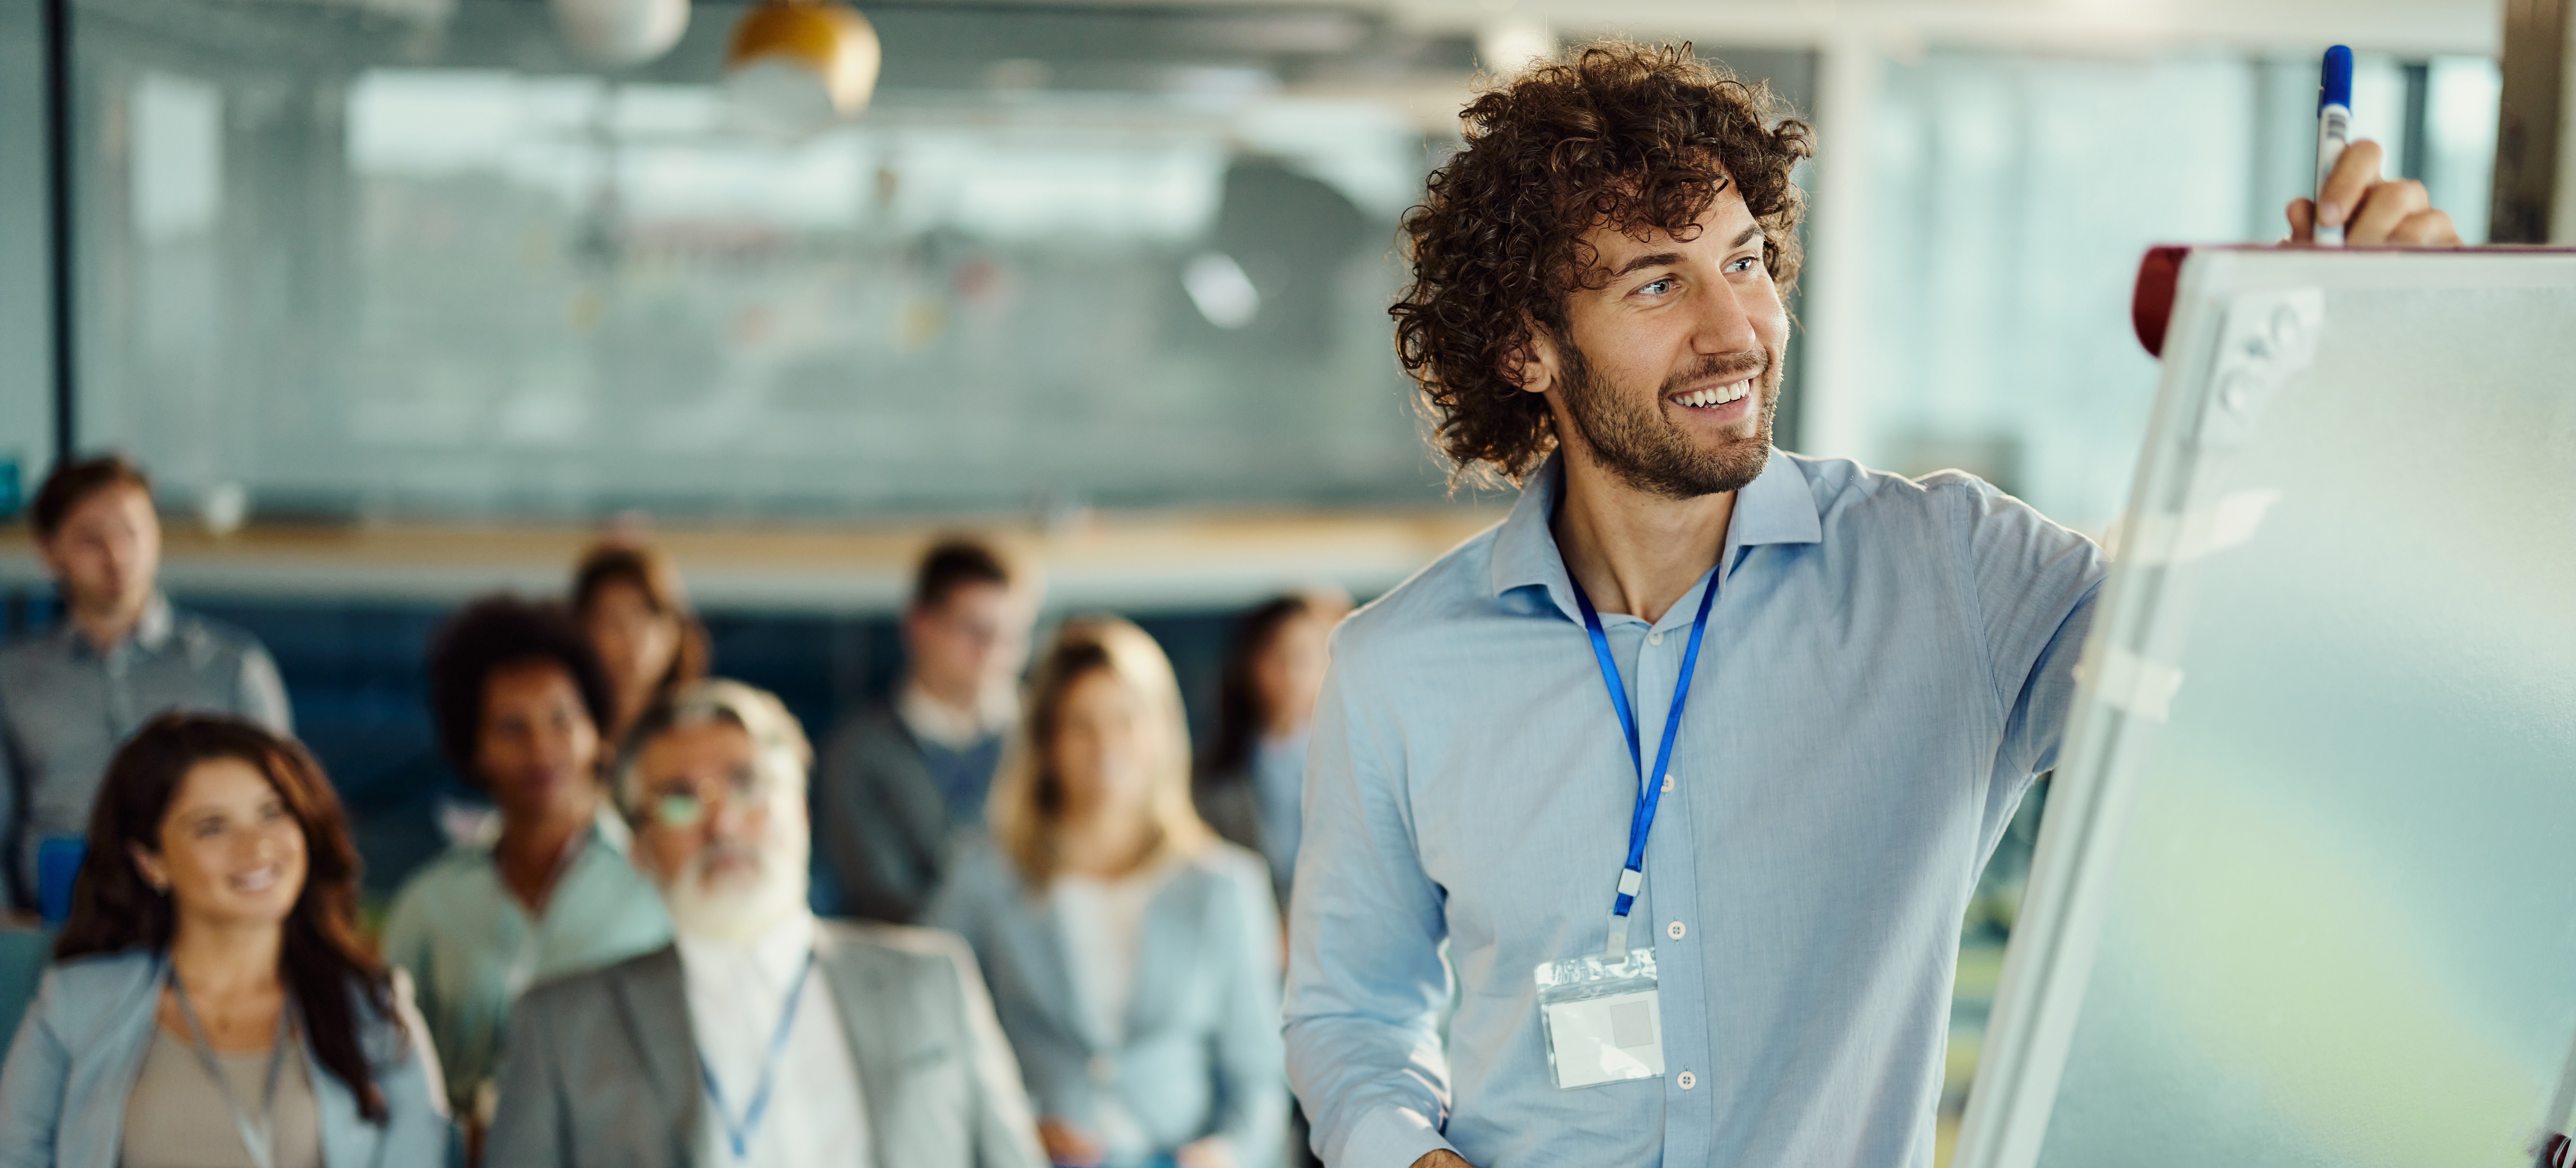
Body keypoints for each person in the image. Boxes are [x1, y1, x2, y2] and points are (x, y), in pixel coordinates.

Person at [1282, 42, 2461, 1168]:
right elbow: (1350, 1013)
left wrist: (2383, 372)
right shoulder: (1395, 670)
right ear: (1525, 347)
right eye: (1658, 281)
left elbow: (2262, 670)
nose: (1733, 329)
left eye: (1745, 261)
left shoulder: (1951, 571)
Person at [487, 679, 1046, 1168]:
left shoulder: (932, 980)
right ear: (640, 850)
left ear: (800, 810)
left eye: (747, 784)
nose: (723, 822)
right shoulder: (562, 1026)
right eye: (680, 800)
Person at [0, 713, 447, 1167]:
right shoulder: (74, 1006)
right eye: (212, 827)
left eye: (273, 813)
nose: (256, 847)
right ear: (151, 861)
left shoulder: (376, 1011)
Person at [930, 618, 1286, 1168]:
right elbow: (934, 1043)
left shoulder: (1224, 886)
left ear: (1161, 731)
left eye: (1126, 719)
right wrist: (1015, 1127)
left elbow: (1260, 1076)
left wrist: (1228, 1153)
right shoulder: (983, 876)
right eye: (1081, 723)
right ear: (1046, 741)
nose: (1105, 745)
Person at [380, 597, 670, 1130]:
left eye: (561, 720)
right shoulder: (430, 904)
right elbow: (389, 1072)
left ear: (596, 732)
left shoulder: (655, 887)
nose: (541, 748)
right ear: (475, 748)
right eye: (512, 727)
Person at [0, 456, 291, 907]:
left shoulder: (232, 667)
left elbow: (281, 812)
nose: (117, 556)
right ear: (49, 552)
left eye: (131, 534)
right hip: (55, 919)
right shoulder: (12, 679)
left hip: (205, 911)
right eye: (91, 540)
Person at [817, 538, 1037, 923]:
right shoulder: (860, 751)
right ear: (919, 625)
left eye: (1010, 637)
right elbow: (880, 896)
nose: (993, 654)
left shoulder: (1044, 739)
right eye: (975, 631)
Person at [1191, 590, 1350, 912]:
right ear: (1250, 664)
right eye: (1279, 657)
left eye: (1306, 658)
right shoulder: (1213, 775)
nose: (1293, 675)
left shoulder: (1359, 762)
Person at [571, 542, 712, 745]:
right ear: (583, 629)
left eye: (649, 615)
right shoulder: (566, 743)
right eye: (614, 618)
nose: (631, 634)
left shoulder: (703, 733)